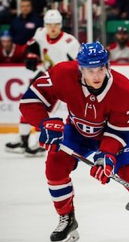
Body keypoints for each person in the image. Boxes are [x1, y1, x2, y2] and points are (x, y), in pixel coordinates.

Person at [18, 42, 129, 242]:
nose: (96, 76)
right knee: (55, 164)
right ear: (80, 68)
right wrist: (44, 124)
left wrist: (107, 155)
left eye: (100, 69)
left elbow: (118, 132)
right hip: (78, 131)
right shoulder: (62, 73)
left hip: (116, 135)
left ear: (108, 66)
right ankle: (67, 218)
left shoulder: (123, 89)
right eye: (89, 70)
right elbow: (30, 101)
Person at [5, 9, 80, 156]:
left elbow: (79, 65)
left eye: (56, 24)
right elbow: (30, 48)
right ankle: (23, 140)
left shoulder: (70, 42)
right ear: (45, 24)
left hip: (59, 82)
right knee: (28, 104)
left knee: (42, 111)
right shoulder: (40, 33)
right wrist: (30, 56)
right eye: (50, 24)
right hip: (43, 77)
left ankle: (41, 141)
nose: (53, 28)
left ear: (61, 24)